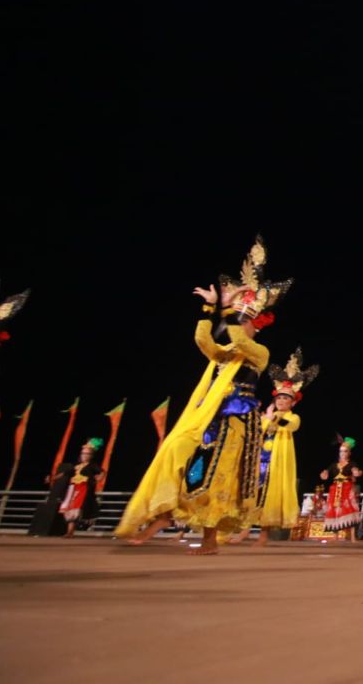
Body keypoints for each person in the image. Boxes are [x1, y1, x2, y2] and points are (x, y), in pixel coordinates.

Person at [116, 236, 289, 554]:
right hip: (211, 416)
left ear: (257, 326)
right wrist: (210, 307)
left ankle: (208, 540)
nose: (241, 324)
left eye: (247, 319)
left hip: (238, 419)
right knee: (179, 454)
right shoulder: (225, 355)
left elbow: (237, 335)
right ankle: (164, 515)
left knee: (218, 477)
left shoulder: (258, 352)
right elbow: (204, 341)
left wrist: (230, 309)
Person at [231, 348, 318, 546]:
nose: (281, 401)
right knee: (253, 495)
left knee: (269, 498)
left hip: (275, 463)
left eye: (285, 399)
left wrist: (273, 419)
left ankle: (263, 537)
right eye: (279, 398)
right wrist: (264, 419)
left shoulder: (292, 418)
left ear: (292, 403)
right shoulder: (267, 415)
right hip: (259, 461)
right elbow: (257, 433)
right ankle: (243, 531)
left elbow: (290, 426)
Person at [321, 438, 363, 541]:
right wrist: (323, 475)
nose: (342, 453)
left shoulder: (352, 464)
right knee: (335, 511)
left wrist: (357, 473)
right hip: (335, 489)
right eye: (341, 451)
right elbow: (324, 475)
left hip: (347, 489)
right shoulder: (333, 465)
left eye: (345, 451)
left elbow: (356, 473)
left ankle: (353, 536)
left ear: (349, 453)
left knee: (349, 510)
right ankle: (335, 536)